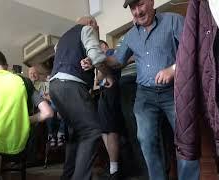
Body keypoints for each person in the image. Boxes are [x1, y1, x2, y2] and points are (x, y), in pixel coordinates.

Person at [81, 0, 199, 179]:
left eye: (141, 4)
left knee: (186, 139)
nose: (137, 11)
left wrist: (173, 69)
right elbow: (118, 61)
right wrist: (97, 59)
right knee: (146, 139)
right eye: (132, 8)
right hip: (145, 95)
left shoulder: (173, 20)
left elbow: (191, 49)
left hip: (174, 91)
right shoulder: (130, 36)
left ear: (151, 2)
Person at [49, 16, 113, 180]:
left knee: (76, 133)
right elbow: (97, 57)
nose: (96, 31)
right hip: (71, 85)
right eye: (97, 27)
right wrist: (107, 75)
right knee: (92, 131)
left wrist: (89, 62)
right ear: (91, 23)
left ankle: (68, 176)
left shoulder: (62, 39)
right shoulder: (87, 29)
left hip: (55, 87)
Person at [96, 40, 123, 180]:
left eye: (98, 47)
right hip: (103, 94)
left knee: (111, 128)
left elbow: (115, 67)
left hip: (112, 92)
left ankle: (114, 169)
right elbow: (98, 79)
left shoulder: (112, 52)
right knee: (103, 130)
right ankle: (113, 167)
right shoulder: (100, 62)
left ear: (104, 46)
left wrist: (103, 66)